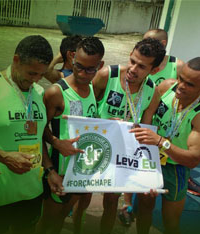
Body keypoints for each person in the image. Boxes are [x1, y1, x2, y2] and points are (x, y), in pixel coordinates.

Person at [0, 35, 54, 234]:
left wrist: (50, 168)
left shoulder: (38, 92)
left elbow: (37, 137)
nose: (35, 80)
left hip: (32, 193)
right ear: (16, 60)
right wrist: (3, 156)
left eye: (41, 75)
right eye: (31, 73)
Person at [92, 37, 166, 234]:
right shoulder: (107, 75)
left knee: (147, 199)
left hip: (130, 152)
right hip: (104, 147)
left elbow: (147, 128)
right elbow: (88, 111)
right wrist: (107, 125)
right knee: (109, 200)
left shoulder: (153, 91)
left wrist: (148, 170)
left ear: (154, 70)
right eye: (132, 61)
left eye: (141, 66)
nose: (133, 69)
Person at [36, 36, 105, 234]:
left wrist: (109, 126)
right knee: (47, 221)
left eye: (90, 69)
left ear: (99, 65)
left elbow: (89, 122)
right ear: (72, 58)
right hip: (60, 171)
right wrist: (55, 146)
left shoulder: (92, 88)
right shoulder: (57, 92)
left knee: (60, 219)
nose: (83, 74)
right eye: (78, 66)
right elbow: (39, 131)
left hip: (81, 172)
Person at [130, 57, 200, 234]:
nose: (181, 86)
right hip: (150, 158)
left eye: (189, 84)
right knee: (144, 208)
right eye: (180, 78)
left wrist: (161, 142)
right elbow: (145, 115)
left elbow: (192, 160)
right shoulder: (167, 87)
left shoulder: (198, 115)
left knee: (170, 220)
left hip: (175, 168)